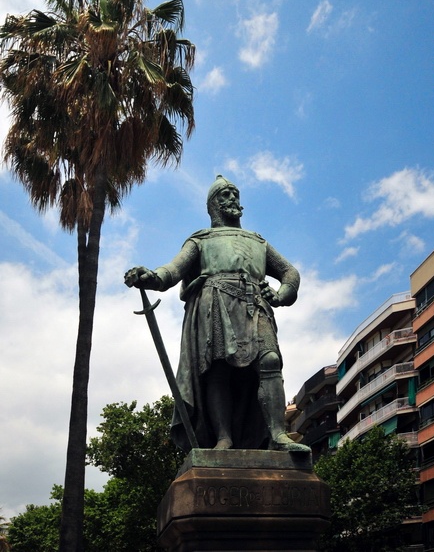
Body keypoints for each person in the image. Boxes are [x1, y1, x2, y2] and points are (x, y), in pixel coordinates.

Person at [124, 175, 310, 453]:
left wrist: (282, 294)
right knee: (217, 370)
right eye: (224, 195)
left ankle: (278, 435)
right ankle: (223, 437)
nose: (232, 199)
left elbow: (289, 272)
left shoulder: (257, 241)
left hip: (253, 304)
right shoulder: (201, 239)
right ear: (212, 205)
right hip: (215, 304)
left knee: (270, 360)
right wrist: (150, 277)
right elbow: (173, 271)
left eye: (235, 194)